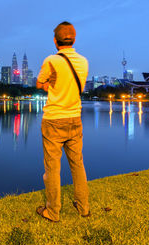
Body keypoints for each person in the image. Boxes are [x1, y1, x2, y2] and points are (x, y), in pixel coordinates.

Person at [35, 21, 90, 222]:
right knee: (78, 165)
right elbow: (78, 87)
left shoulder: (51, 60)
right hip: (75, 118)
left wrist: (53, 86)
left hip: (54, 120)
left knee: (52, 168)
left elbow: (40, 83)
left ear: (55, 41)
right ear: (74, 39)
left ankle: (53, 211)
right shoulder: (84, 61)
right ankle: (84, 207)